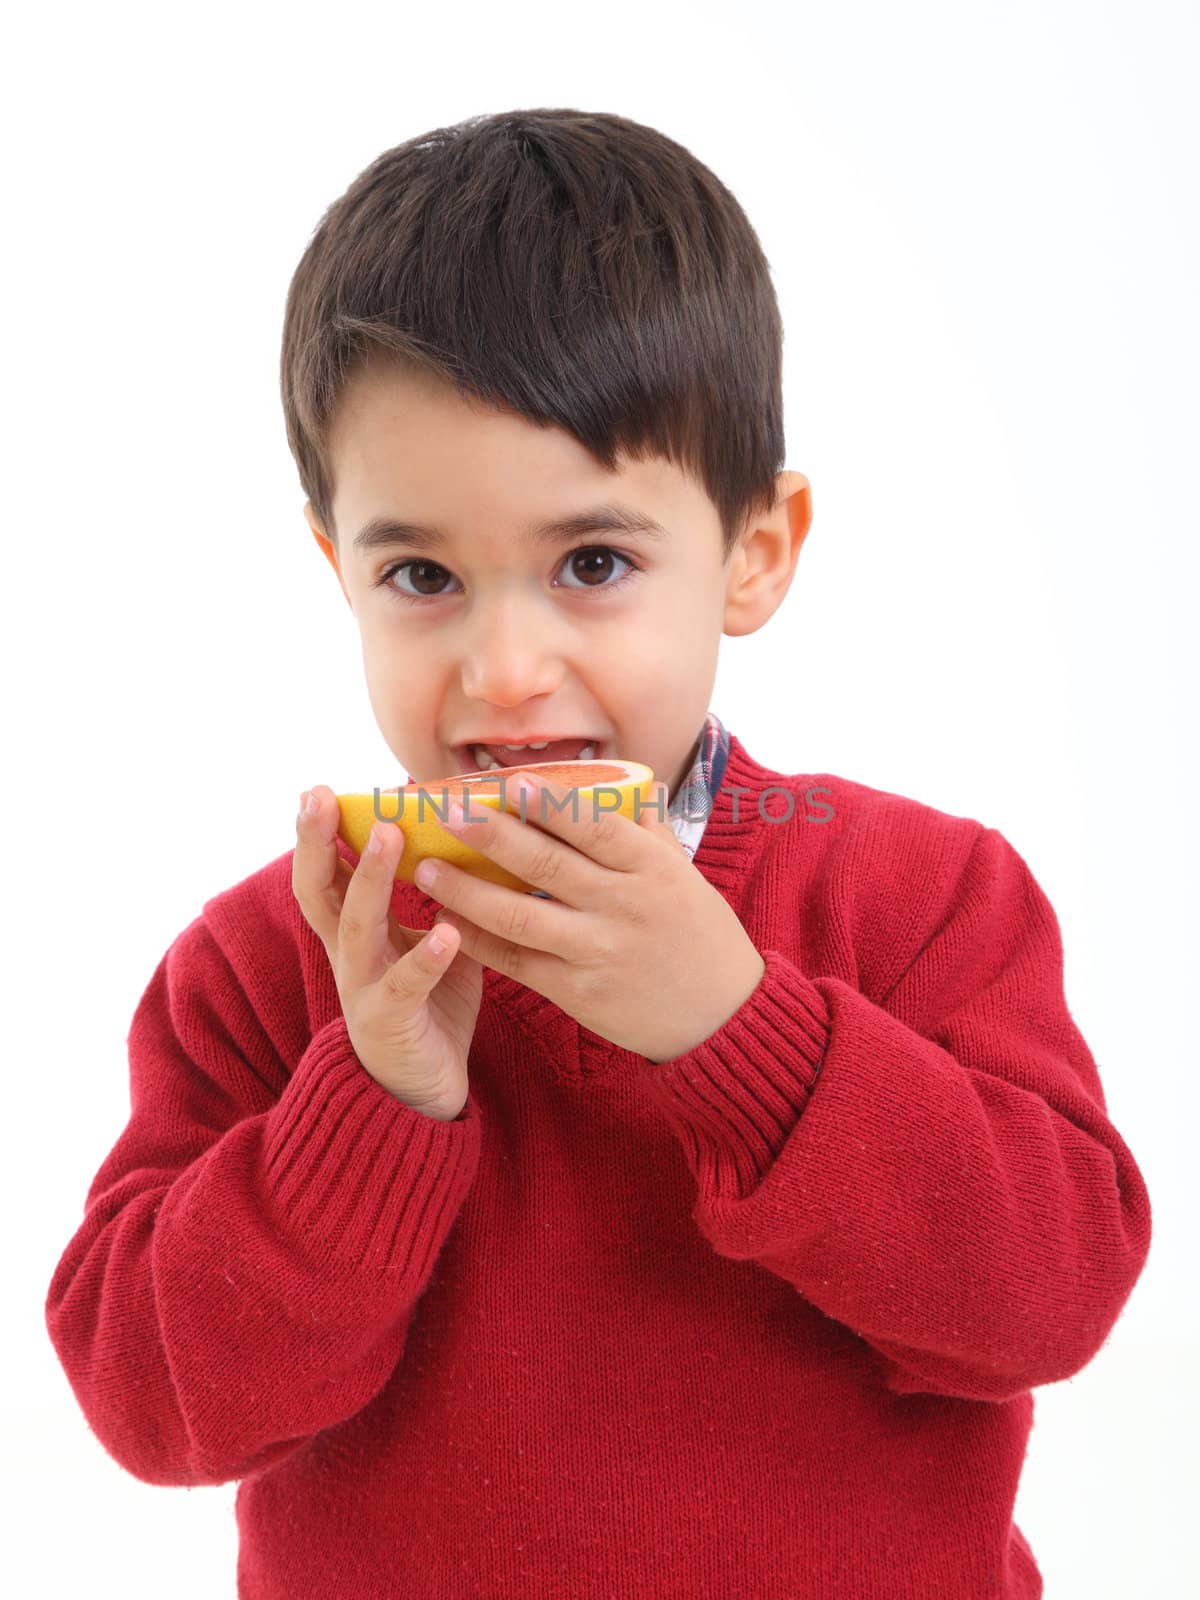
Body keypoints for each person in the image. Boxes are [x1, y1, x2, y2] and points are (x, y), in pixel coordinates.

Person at [44, 107, 1153, 1599]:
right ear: (337, 572)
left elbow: (1050, 1301)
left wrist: (739, 1032)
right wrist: (368, 1098)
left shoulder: (923, 897)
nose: (506, 671)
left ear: (754, 550)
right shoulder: (268, 956)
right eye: (422, 575)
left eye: (594, 564)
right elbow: (153, 1408)